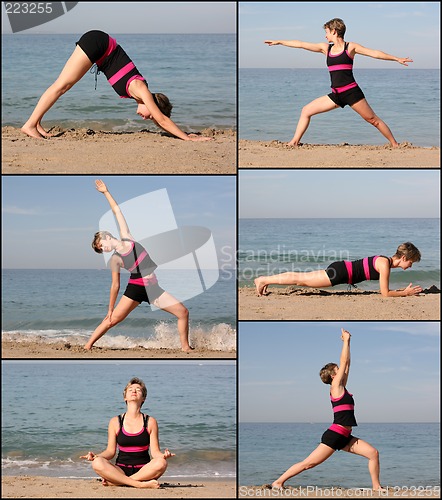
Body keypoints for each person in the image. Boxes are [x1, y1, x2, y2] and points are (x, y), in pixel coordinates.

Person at [21, 30, 211, 142]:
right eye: (150, 115)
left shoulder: (139, 93)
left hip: (101, 46)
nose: (145, 117)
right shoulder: (140, 88)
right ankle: (29, 125)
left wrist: (179, 132)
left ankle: (37, 124)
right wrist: (187, 138)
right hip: (99, 44)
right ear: (154, 105)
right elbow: (161, 120)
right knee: (62, 86)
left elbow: (159, 119)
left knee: (63, 86)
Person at [264, 18, 413, 147]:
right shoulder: (325, 49)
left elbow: (375, 53)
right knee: (306, 111)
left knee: (373, 120)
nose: (325, 35)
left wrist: (396, 58)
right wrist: (280, 42)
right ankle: (294, 142)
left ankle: (395, 144)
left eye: (327, 31)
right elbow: (302, 44)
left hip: (352, 92)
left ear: (334, 31)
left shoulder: (351, 47)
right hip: (336, 95)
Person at [85, 179, 193, 352]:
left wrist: (106, 192)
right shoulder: (114, 259)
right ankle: (88, 345)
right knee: (112, 320)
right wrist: (110, 308)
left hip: (153, 288)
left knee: (183, 312)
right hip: (135, 289)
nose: (103, 249)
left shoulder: (127, 236)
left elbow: (117, 211)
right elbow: (115, 285)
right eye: (100, 249)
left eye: (101, 245)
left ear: (105, 236)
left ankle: (185, 347)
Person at [272, 329, 385, 492]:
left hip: (345, 436)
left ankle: (376, 487)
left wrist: (349, 343)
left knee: (373, 453)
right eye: (338, 369)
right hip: (335, 434)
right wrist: (345, 341)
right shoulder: (335, 387)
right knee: (308, 464)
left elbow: (347, 363)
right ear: (333, 375)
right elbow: (344, 360)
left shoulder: (341, 387)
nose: (342, 370)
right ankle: (278, 482)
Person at [81, 377, 174, 488]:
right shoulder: (115, 422)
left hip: (144, 471)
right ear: (125, 397)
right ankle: (139, 485)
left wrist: (163, 456)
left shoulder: (150, 422)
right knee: (97, 463)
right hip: (120, 470)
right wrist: (96, 456)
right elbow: (110, 452)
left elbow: (154, 452)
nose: (134, 391)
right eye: (130, 389)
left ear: (143, 398)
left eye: (138, 390)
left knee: (161, 463)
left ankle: (119, 482)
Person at [254, 242, 422, 297]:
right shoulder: (385, 264)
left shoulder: (385, 261)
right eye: (412, 262)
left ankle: (266, 280)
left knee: (302, 277)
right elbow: (385, 294)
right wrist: (405, 293)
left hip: (341, 269)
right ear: (404, 258)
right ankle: (263, 279)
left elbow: (385, 291)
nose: (411, 266)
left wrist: (401, 291)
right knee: (301, 279)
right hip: (341, 272)